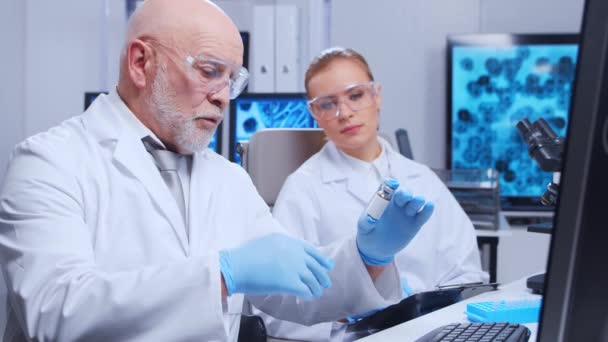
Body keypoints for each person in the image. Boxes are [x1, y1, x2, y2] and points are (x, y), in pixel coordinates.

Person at [0, 2, 437, 341]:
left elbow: (292, 289)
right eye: (210, 72)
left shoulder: (225, 178)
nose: (225, 97)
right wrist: (223, 274)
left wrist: (368, 259)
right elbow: (55, 312)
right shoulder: (49, 162)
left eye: (233, 80)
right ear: (140, 63)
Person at [259, 47, 488, 341]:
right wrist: (349, 308)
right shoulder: (303, 188)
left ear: (376, 95)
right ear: (315, 113)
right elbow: (277, 310)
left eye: (355, 95)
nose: (345, 113)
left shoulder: (422, 179)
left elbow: (466, 276)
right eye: (328, 104)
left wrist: (429, 312)